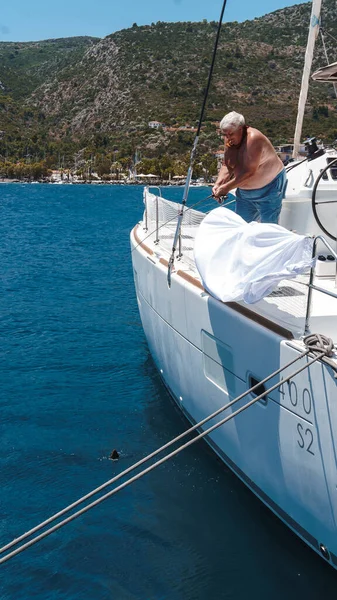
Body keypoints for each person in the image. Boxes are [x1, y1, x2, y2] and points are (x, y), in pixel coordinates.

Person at [212, 111, 287, 223]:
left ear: (241, 129)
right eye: (225, 135)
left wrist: (226, 188)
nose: (228, 137)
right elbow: (227, 165)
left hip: (269, 189)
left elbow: (248, 172)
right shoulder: (229, 138)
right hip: (244, 194)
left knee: (268, 229)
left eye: (231, 134)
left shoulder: (253, 138)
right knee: (242, 227)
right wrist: (219, 183)